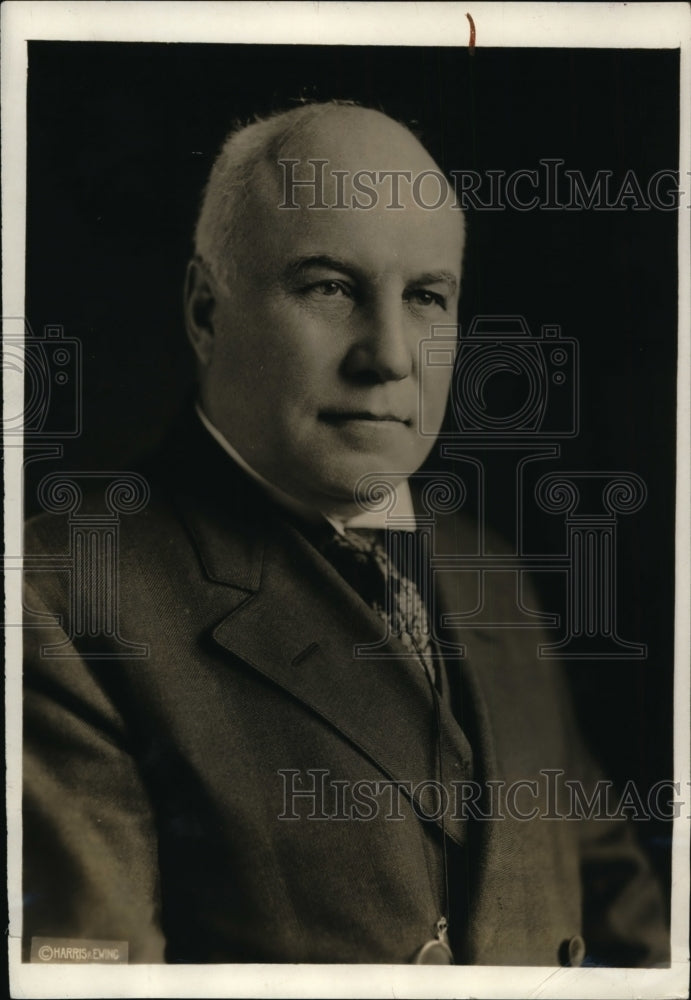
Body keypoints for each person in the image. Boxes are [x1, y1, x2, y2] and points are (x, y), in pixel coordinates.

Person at [22, 101, 669, 966]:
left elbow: (622, 918)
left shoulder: (485, 568)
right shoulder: (64, 595)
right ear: (207, 312)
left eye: (426, 297)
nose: (391, 355)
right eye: (329, 287)